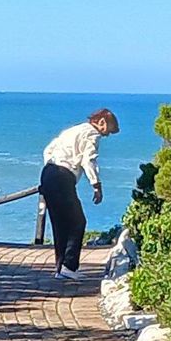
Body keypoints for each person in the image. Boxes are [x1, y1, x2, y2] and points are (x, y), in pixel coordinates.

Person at [39, 109, 120, 279]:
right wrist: (96, 185)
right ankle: (69, 266)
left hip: (48, 173)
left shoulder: (72, 130)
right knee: (78, 221)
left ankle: (61, 269)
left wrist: (52, 168)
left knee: (59, 224)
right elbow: (88, 160)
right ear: (102, 122)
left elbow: (48, 150)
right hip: (63, 177)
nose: (107, 135)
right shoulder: (92, 134)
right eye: (109, 130)